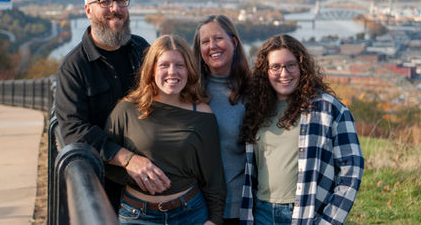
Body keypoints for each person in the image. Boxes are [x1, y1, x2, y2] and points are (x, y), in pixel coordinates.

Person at [55, 0, 170, 207]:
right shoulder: (74, 67)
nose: (115, 8)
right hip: (105, 189)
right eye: (105, 2)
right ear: (88, 11)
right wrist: (127, 159)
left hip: (154, 183)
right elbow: (73, 130)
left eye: (121, 0)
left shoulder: (141, 49)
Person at [240, 34, 364, 225]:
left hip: (305, 215)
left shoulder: (329, 109)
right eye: (275, 67)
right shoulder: (256, 109)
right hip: (261, 212)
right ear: (265, 71)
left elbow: (352, 170)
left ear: (302, 67)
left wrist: (328, 221)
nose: (284, 73)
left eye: (291, 65)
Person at [106, 34, 226, 225]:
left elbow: (214, 177)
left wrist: (215, 220)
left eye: (180, 65)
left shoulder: (202, 115)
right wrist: (134, 171)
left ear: (189, 70)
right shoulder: (127, 110)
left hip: (191, 213)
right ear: (152, 69)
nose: (173, 72)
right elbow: (106, 161)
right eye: (164, 65)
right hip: (137, 216)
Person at [193, 15, 251, 224]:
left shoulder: (254, 91)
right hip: (192, 206)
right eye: (205, 42)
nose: (212, 46)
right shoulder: (187, 91)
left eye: (218, 38)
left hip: (237, 208)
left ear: (234, 42)